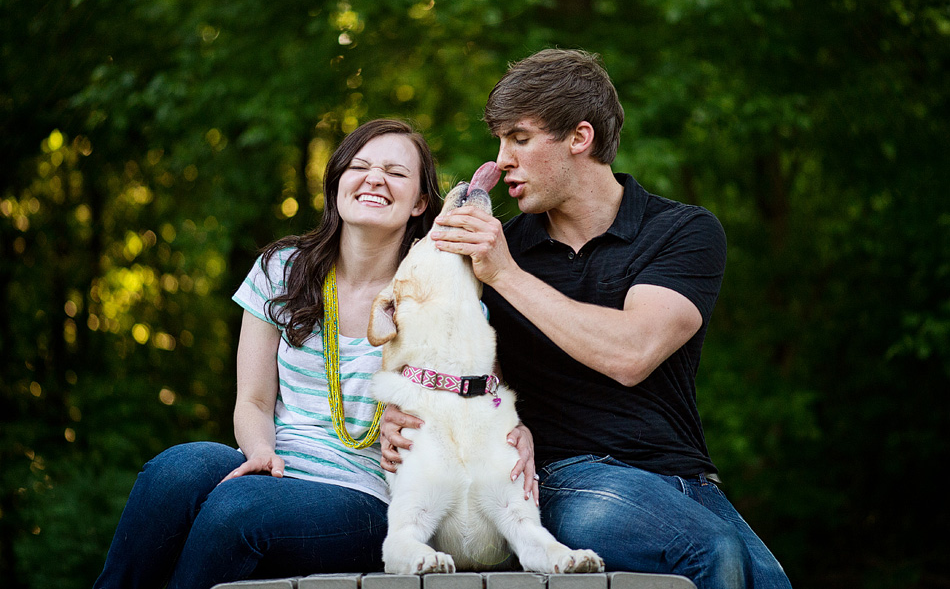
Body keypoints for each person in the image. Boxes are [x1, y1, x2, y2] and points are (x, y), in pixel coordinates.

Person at [379, 50, 792, 589]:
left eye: (520, 139)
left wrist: (506, 274)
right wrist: (399, 414)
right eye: (500, 141)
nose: (502, 160)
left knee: (767, 580)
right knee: (712, 553)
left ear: (580, 137)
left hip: (685, 477)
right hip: (564, 475)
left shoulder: (680, 230)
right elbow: (447, 356)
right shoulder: (501, 252)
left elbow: (632, 354)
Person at [94, 119, 441, 589]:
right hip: (278, 465)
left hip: (370, 495)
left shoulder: (436, 291)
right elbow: (254, 401)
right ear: (337, 182)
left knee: (236, 510)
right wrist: (260, 451)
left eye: (396, 173)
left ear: (420, 201)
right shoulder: (282, 270)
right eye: (359, 166)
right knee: (174, 471)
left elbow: (474, 390)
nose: (374, 177)